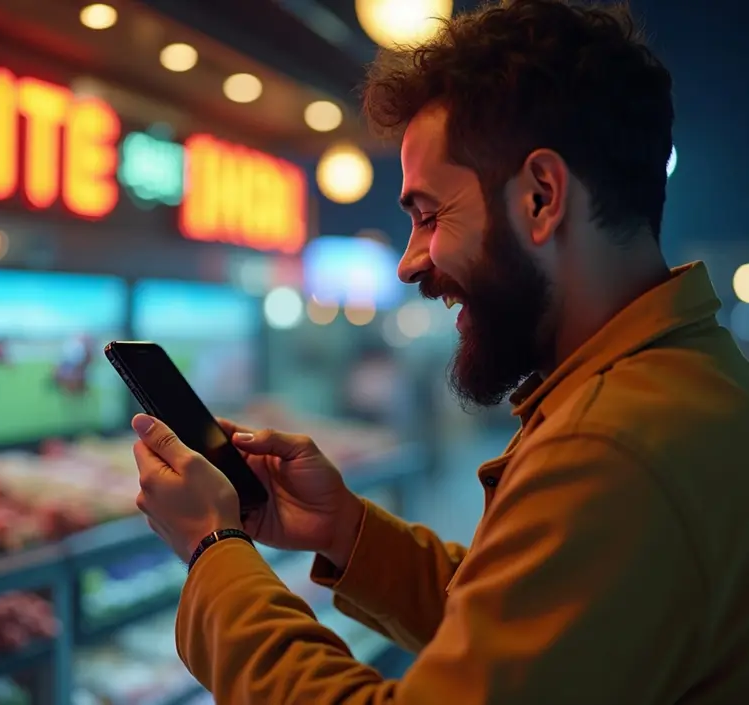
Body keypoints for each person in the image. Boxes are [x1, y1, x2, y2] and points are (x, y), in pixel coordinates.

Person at [131, 1, 749, 703]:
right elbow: (530, 630)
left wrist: (214, 555)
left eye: (428, 216)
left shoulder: (610, 443)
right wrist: (347, 530)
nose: (407, 263)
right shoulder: (679, 380)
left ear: (541, 197)